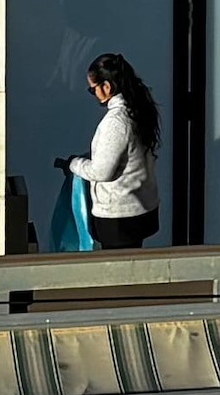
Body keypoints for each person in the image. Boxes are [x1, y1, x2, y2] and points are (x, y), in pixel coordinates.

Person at [67, 52, 160, 248]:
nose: (94, 94)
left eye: (93, 89)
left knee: (116, 265)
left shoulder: (116, 122)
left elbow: (101, 172)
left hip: (119, 215)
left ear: (107, 87)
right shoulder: (138, 109)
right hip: (141, 207)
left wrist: (74, 164)